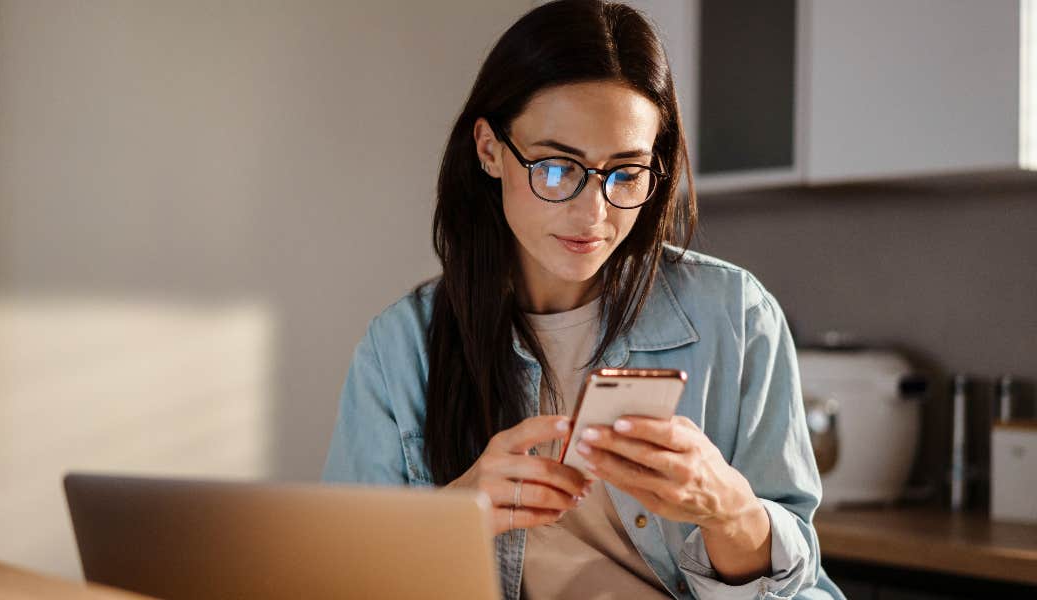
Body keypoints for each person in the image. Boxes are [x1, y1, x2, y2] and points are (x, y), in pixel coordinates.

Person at [322, 1, 844, 598]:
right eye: (555, 168)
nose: (592, 213)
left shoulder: (737, 316)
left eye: (625, 173)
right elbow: (342, 576)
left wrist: (728, 510)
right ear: (489, 150)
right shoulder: (401, 349)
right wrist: (456, 513)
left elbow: (802, 591)